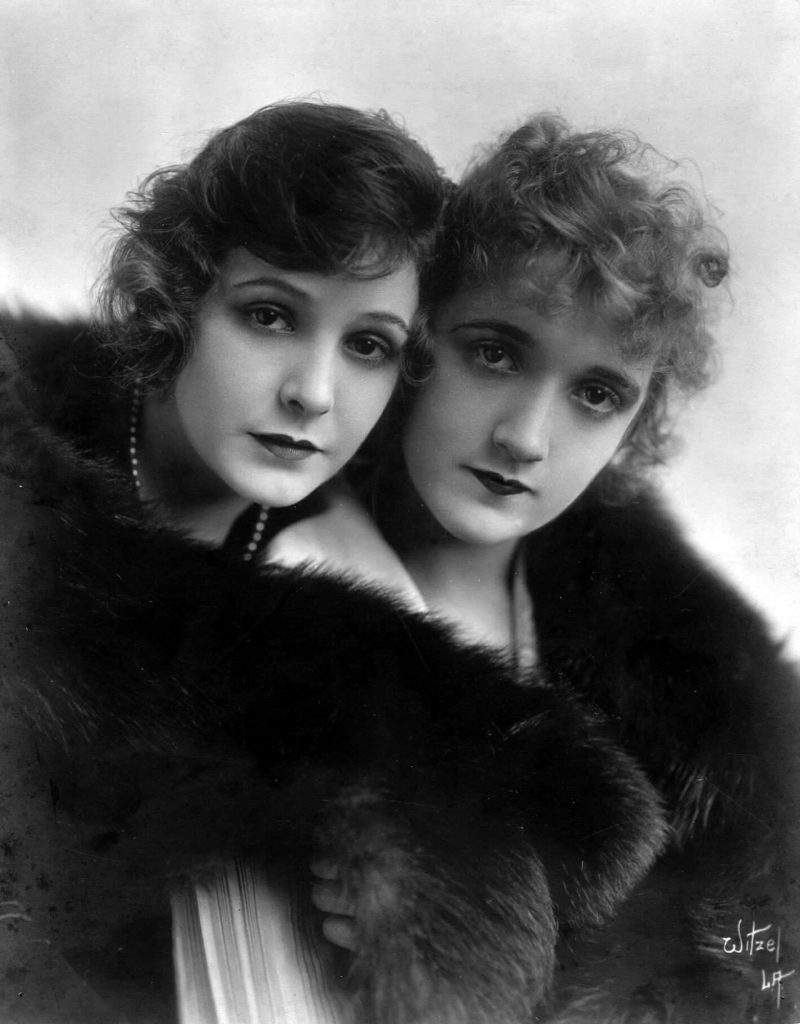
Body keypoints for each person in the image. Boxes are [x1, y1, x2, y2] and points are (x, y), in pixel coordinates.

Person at [0, 103, 665, 1024]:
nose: (313, 393)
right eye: (270, 315)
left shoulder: (346, 548)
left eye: (368, 346)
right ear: (175, 299)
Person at [278, 115, 800, 1023]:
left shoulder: (638, 660)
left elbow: (764, 968)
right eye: (495, 352)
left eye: (596, 394)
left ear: (633, 427)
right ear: (416, 340)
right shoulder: (285, 578)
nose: (525, 437)